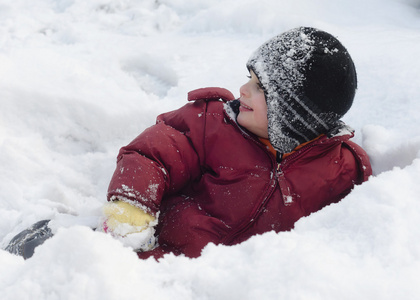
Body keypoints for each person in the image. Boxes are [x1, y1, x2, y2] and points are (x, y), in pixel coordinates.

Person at [5, 27, 372, 260]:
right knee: (70, 258)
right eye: (249, 77)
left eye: (260, 88)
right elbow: (152, 153)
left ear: (294, 116)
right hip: (143, 247)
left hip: (216, 284)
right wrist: (132, 209)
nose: (243, 89)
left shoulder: (340, 169)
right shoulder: (211, 123)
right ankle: (40, 245)